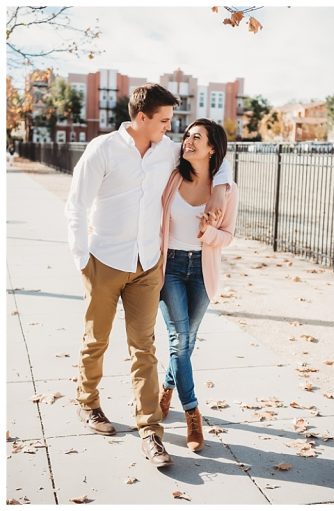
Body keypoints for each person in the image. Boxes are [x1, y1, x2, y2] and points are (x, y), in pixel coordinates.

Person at [65, 83, 233, 468]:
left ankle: (150, 432)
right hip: (104, 260)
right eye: (164, 120)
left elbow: (216, 155)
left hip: (147, 265)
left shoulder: (167, 151)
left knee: (145, 348)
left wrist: (221, 193)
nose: (170, 128)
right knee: (97, 340)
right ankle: (88, 402)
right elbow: (76, 205)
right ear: (141, 118)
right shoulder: (103, 149)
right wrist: (80, 258)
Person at [157, 119, 238, 453]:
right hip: (171, 267)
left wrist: (207, 232)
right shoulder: (172, 176)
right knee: (179, 338)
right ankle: (192, 412)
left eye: (197, 138)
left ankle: (166, 388)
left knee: (187, 341)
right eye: (187, 135)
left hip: (201, 271)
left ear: (212, 148)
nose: (188, 141)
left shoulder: (226, 191)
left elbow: (228, 236)